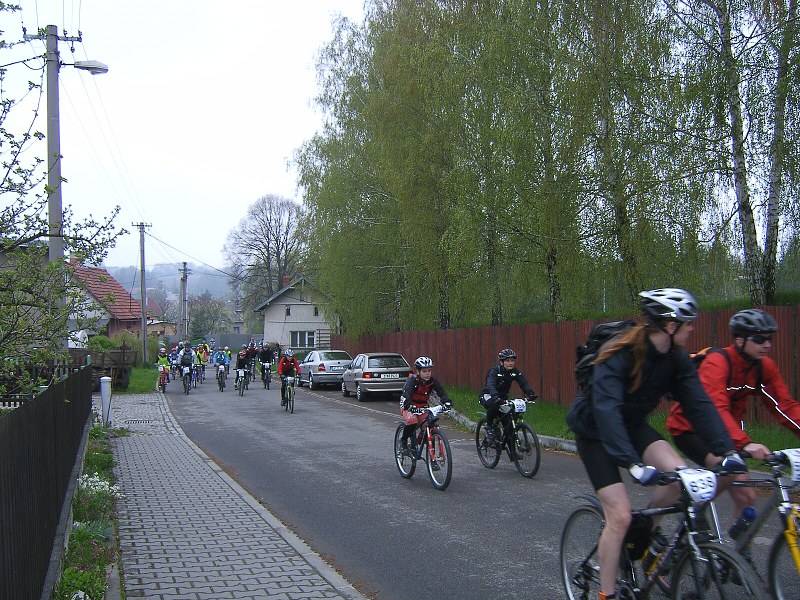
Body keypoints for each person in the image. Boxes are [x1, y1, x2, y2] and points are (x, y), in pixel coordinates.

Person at [566, 288, 742, 600]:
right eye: (688, 323)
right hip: (594, 431)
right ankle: (607, 593)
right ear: (670, 325)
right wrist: (632, 464)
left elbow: (698, 404)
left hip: (632, 426)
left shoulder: (675, 359)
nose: (692, 329)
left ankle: (644, 535)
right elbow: (606, 410)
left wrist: (726, 450)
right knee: (618, 515)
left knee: (680, 477)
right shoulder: (620, 353)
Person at [666, 308, 800, 524]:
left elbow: (784, 406)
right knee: (728, 471)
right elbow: (715, 409)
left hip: (726, 434)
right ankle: (691, 518)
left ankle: (739, 555)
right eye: (759, 339)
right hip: (690, 429)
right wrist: (745, 444)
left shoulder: (762, 368)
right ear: (739, 340)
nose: (767, 344)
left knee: (747, 497)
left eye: (769, 339)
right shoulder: (717, 362)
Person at [480, 348, 537, 445]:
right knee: (494, 404)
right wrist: (495, 397)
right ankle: (489, 427)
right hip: (489, 395)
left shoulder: (514, 371)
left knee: (510, 423)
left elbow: (523, 383)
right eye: (507, 361)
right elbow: (491, 385)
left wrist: (530, 394)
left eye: (512, 360)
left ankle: (513, 451)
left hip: (503, 399)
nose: (510, 363)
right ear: (501, 362)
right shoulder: (494, 371)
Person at [398, 357, 452, 455]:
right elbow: (407, 396)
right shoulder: (412, 381)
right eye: (424, 371)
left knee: (429, 424)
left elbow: (441, 393)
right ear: (418, 371)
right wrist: (410, 406)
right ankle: (403, 441)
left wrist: (447, 402)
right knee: (412, 420)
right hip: (408, 404)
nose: (427, 374)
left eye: (429, 371)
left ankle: (419, 446)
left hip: (422, 406)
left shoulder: (432, 381)